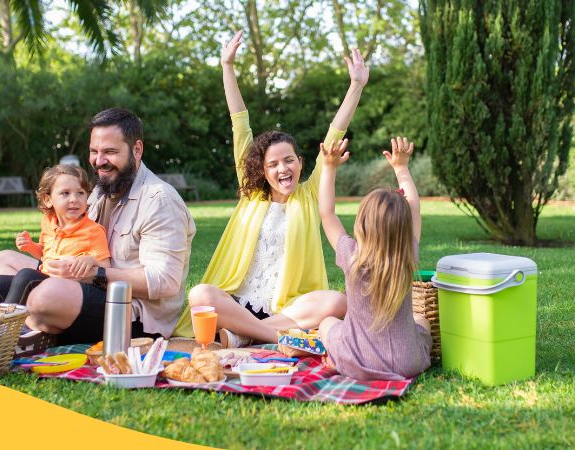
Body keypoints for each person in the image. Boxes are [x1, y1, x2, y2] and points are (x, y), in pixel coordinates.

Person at [175, 30, 369, 347]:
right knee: (200, 294)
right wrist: (227, 67)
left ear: (301, 163)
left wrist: (356, 85)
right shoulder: (251, 194)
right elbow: (240, 122)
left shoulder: (309, 196)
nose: (283, 169)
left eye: (289, 161)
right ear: (262, 171)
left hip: (287, 309)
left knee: (336, 302)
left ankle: (240, 336)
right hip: (237, 302)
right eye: (274, 164)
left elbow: (335, 133)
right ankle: (275, 337)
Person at [0, 108, 196, 345]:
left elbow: (165, 282)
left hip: (131, 314)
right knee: (2, 261)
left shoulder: (159, 200)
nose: (99, 161)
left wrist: (96, 274)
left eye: (110, 152)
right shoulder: (100, 192)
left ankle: (17, 331)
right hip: (82, 286)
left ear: (137, 149)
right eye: (94, 151)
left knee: (44, 296)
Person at [317, 136, 431, 380]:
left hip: (357, 360)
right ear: (404, 227)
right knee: (421, 319)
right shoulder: (407, 252)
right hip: (407, 362)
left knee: (327, 323)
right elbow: (414, 208)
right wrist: (401, 169)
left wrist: (328, 168)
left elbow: (327, 215)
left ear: (363, 224)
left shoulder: (352, 255)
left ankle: (335, 359)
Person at [0, 164, 111, 305]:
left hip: (71, 289)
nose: (74, 199)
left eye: (80, 193)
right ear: (48, 200)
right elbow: (45, 254)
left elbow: (106, 265)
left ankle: (6, 322)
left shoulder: (93, 231)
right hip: (46, 279)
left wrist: (90, 260)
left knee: (26, 276)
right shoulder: (48, 222)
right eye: (65, 193)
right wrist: (30, 246)